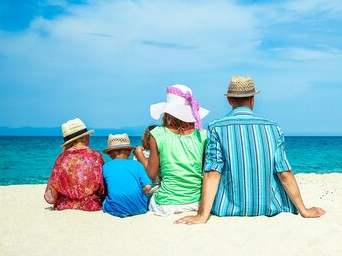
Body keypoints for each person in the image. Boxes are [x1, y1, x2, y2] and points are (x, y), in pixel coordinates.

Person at [176, 76, 325, 225]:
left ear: (229, 100)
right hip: (268, 207)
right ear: (253, 99)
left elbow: (212, 173)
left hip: (228, 209)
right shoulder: (273, 128)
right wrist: (304, 210)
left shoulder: (216, 128)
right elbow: (284, 172)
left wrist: (202, 215)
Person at [134, 84, 209, 217]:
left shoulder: (157, 134)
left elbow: (151, 174)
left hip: (167, 204)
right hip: (197, 201)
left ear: (168, 111)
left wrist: (140, 155)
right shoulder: (202, 135)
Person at [44, 118, 105, 211]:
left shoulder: (61, 158)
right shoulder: (95, 156)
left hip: (64, 206)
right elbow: (102, 188)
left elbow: (51, 195)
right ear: (84, 137)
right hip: (91, 205)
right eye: (88, 135)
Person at [101, 133, 152, 217]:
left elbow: (105, 189)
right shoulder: (137, 165)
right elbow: (147, 187)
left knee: (106, 201)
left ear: (109, 154)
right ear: (128, 152)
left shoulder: (106, 167)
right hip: (140, 209)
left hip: (114, 210)